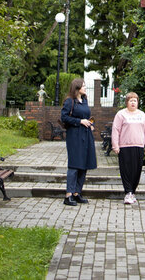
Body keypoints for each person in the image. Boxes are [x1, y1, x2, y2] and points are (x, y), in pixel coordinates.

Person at [59, 78, 97, 206]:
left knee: (84, 164)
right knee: (74, 164)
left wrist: (89, 124)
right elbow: (64, 117)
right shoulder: (70, 101)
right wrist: (79, 121)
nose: (85, 88)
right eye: (84, 86)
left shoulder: (84, 100)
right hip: (74, 136)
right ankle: (68, 195)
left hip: (86, 135)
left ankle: (77, 193)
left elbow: (85, 116)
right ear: (77, 87)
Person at [111, 92, 145, 205]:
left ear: (138, 102)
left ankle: (132, 192)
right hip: (124, 147)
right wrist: (115, 145)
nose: (133, 102)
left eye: (135, 100)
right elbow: (115, 130)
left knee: (136, 171)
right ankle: (128, 192)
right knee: (126, 170)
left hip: (138, 146)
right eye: (130, 100)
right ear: (127, 102)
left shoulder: (142, 115)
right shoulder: (121, 114)